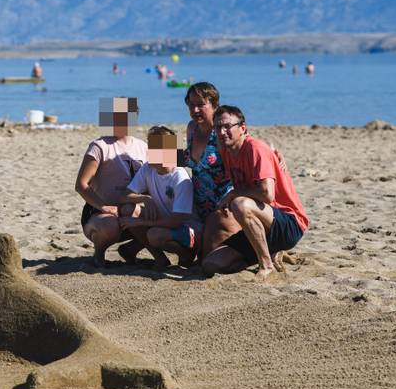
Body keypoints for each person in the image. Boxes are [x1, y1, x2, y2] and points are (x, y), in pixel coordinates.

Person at [200, 105, 309, 280]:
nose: (222, 131)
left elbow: (267, 194)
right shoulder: (222, 147)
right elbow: (190, 159)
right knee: (210, 264)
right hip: (254, 221)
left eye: (227, 126)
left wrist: (233, 193)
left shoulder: (254, 148)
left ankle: (266, 264)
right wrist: (158, 154)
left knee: (240, 203)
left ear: (242, 128)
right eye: (218, 127)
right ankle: (271, 251)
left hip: (287, 221)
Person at [74, 97, 147, 267]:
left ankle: (131, 250)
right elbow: (81, 185)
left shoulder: (143, 147)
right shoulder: (99, 146)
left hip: (131, 210)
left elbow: (162, 176)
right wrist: (104, 207)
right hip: (100, 214)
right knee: (110, 225)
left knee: (157, 215)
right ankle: (99, 255)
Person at [118, 126, 197, 268]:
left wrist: (140, 223)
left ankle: (186, 253)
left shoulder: (180, 176)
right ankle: (160, 259)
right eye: (151, 146)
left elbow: (176, 222)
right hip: (165, 222)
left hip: (188, 230)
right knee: (127, 209)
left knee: (154, 234)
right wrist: (145, 199)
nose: (150, 152)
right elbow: (124, 196)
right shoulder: (149, 168)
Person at [183, 83, 233, 258]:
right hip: (198, 204)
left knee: (209, 258)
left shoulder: (222, 131)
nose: (195, 109)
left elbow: (248, 150)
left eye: (200, 104)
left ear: (214, 105)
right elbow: (183, 158)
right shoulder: (192, 128)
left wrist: (274, 155)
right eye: (191, 105)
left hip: (223, 206)